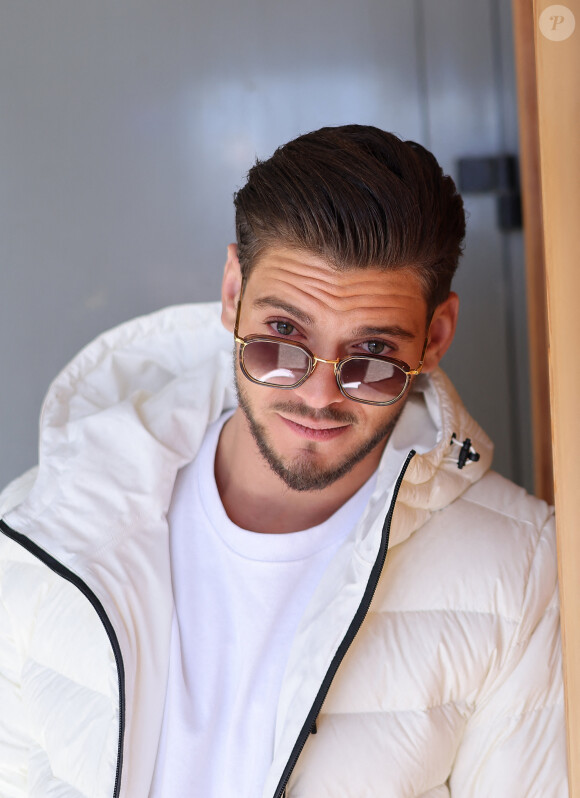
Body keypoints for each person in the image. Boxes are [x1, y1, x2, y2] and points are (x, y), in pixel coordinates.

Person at [0, 125, 567, 798]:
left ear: (435, 337)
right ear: (233, 293)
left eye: (372, 358)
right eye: (282, 338)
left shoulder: (521, 566)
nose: (318, 394)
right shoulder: (48, 522)